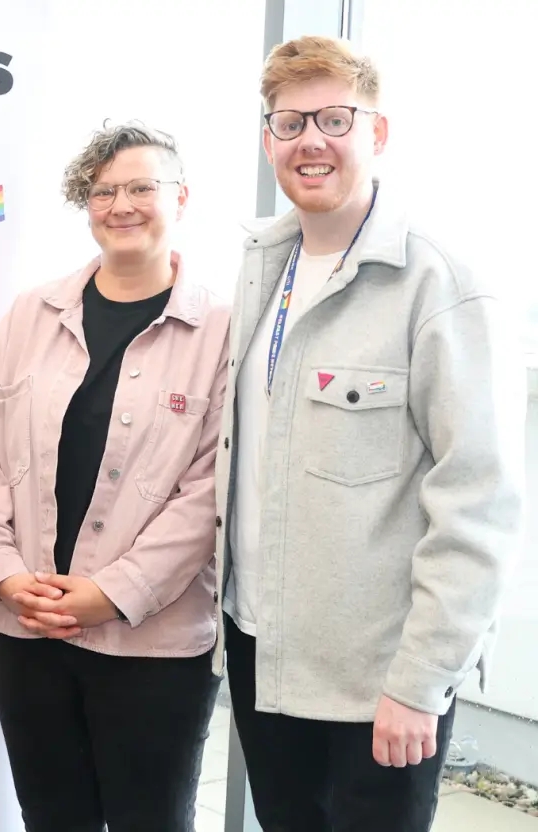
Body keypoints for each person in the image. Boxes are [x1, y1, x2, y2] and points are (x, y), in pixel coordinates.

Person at [215, 35, 526, 831]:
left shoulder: (441, 288)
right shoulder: (261, 267)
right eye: (289, 122)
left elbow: (478, 504)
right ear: (268, 139)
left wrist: (421, 681)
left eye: (334, 118)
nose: (310, 140)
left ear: (376, 134)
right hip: (263, 651)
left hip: (377, 679)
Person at [0, 123, 231, 831]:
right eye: (103, 191)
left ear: (182, 198)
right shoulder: (30, 316)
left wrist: (113, 593)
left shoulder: (224, 330)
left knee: (152, 819)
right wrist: (7, 576)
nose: (121, 204)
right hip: (28, 626)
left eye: (141, 186)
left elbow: (213, 491)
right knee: (51, 815)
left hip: (153, 643)